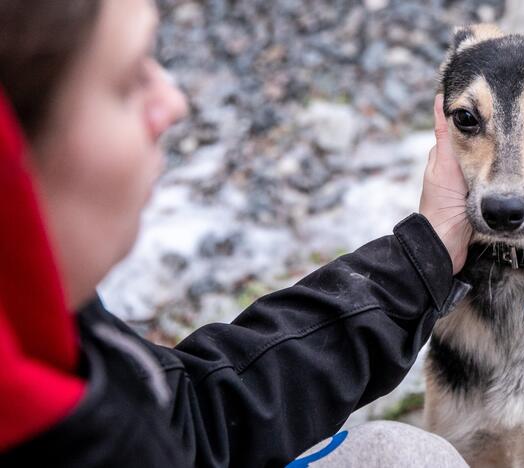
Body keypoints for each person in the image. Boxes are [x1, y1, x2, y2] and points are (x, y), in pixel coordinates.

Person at [0, 0, 473, 466]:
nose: (175, 102)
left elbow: (199, 423)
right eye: (127, 82)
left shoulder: (40, 339)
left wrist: (421, 258)